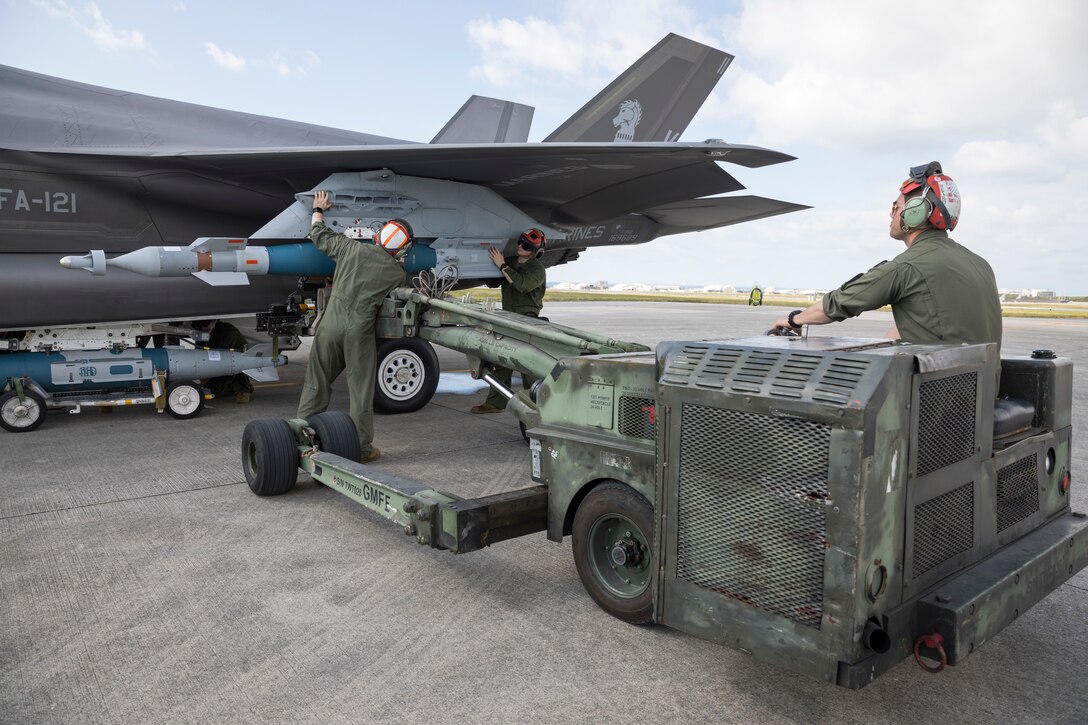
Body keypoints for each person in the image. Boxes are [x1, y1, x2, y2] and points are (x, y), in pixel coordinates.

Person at [772, 162, 1001, 353]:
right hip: (980, 393)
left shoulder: (908, 267)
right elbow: (924, 327)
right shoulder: (980, 264)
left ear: (916, 211)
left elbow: (841, 302)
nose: (890, 214)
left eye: (896, 206)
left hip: (939, 400)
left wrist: (794, 319)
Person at [297, 190, 411, 463]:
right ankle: (361, 448)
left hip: (330, 324)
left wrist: (319, 210)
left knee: (317, 382)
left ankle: (300, 437)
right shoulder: (397, 273)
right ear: (402, 247)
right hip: (358, 332)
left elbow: (318, 234)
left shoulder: (350, 248)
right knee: (360, 391)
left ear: (378, 235)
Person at [471, 228, 547, 414]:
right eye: (520, 242)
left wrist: (502, 266)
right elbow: (494, 282)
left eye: (527, 245)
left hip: (526, 320)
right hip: (507, 317)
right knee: (501, 360)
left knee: (526, 364)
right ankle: (495, 403)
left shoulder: (537, 269)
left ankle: (535, 406)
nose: (521, 246)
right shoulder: (511, 262)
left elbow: (522, 285)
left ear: (536, 250)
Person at [192, 319, 253, 403]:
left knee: (236, 366)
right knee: (210, 392)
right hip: (219, 365)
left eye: (204, 324)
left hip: (235, 363)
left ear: (214, 322)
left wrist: (209, 373)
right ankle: (230, 386)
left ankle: (244, 389)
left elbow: (222, 357)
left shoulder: (228, 331)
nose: (202, 327)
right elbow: (199, 352)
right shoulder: (203, 332)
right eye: (198, 326)